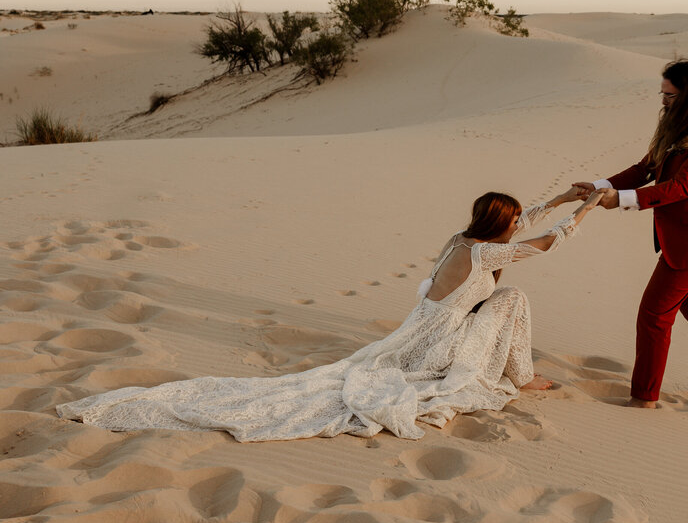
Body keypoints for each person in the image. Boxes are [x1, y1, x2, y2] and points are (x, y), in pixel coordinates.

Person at [57, 185, 610, 441]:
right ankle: (521, 375)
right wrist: (586, 209)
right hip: (436, 345)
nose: (518, 224)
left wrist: (559, 197)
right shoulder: (490, 251)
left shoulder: (464, 237)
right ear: (501, 226)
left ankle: (518, 371)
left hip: (416, 332)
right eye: (513, 220)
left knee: (508, 297)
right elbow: (542, 244)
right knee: (513, 299)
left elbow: (522, 221)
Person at [575, 59, 688, 409]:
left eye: (670, 95)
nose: (663, 101)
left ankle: (644, 398)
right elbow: (646, 169)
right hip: (681, 237)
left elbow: (683, 186)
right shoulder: (674, 126)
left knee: (654, 315)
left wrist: (622, 200)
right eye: (662, 93)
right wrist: (599, 186)